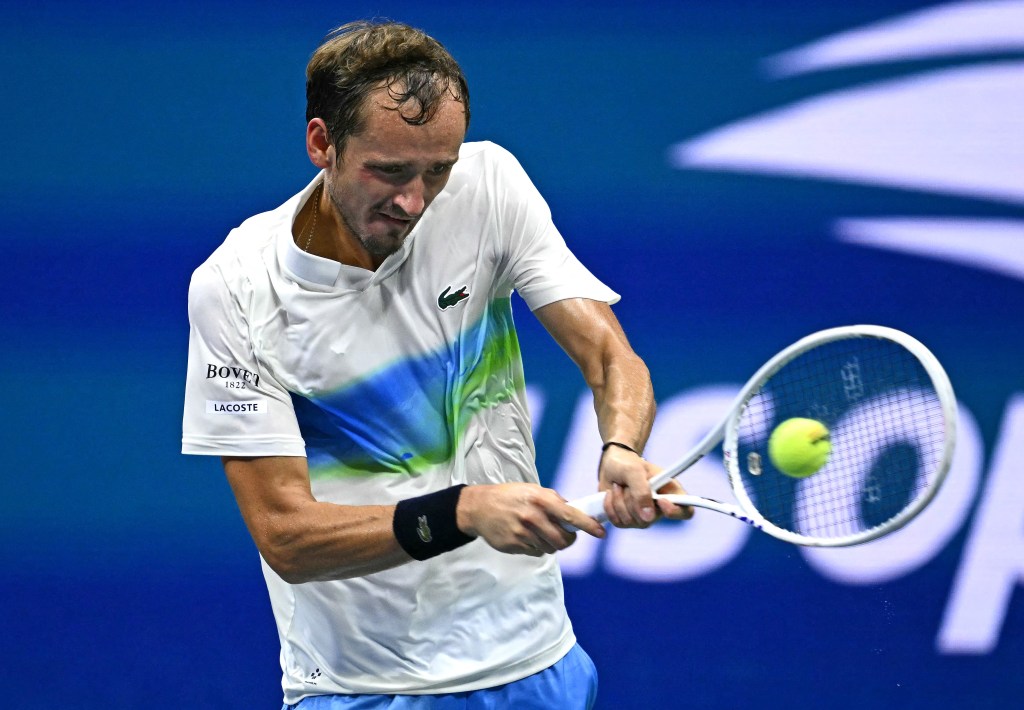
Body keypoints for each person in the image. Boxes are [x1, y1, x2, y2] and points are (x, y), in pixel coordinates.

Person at [182, 19, 690, 709]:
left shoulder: (490, 185)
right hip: (362, 687)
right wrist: (466, 510)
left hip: (533, 664)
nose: (414, 201)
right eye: (388, 171)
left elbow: (608, 354)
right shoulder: (239, 287)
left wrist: (622, 446)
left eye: (437, 171)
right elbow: (287, 537)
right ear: (320, 143)